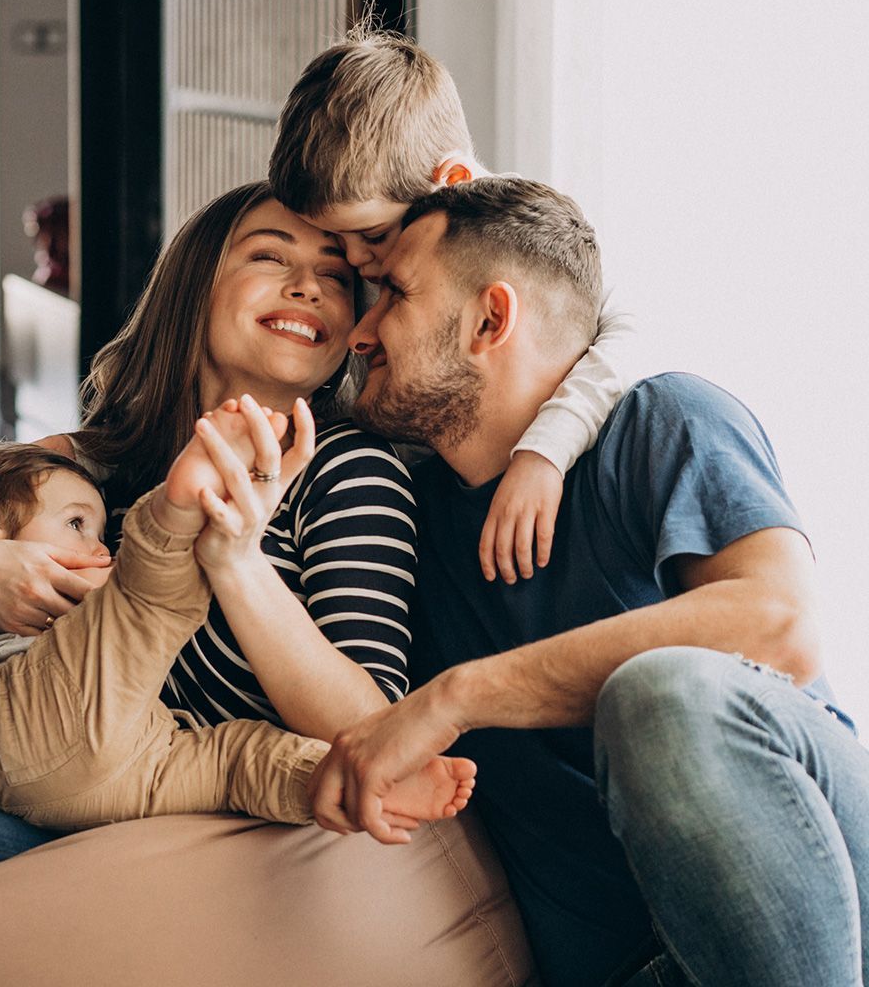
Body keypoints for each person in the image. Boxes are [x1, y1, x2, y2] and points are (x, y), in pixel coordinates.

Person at [308, 176, 869, 987]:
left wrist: (455, 697)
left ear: (491, 319)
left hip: (831, 910)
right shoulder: (400, 523)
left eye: (392, 292)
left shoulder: (662, 421)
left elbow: (779, 624)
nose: (359, 332)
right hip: (638, 971)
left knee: (662, 695)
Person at [0, 181, 422, 898]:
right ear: (195, 285)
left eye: (334, 276)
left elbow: (370, 726)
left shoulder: (347, 467)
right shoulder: (89, 465)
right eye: (272, 257)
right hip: (24, 787)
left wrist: (235, 563)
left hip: (176, 818)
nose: (308, 288)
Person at [0, 426, 472, 886]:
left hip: (137, 760)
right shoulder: (111, 458)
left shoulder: (350, 467)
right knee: (155, 615)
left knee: (235, 757)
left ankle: (345, 782)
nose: (101, 548)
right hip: (42, 766)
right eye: (78, 526)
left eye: (100, 530)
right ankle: (177, 517)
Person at [268, 25, 638, 583]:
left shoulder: (528, 241)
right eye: (334, 243)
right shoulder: (369, 238)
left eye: (369, 234)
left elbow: (628, 332)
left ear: (452, 181)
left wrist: (543, 451)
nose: (357, 263)